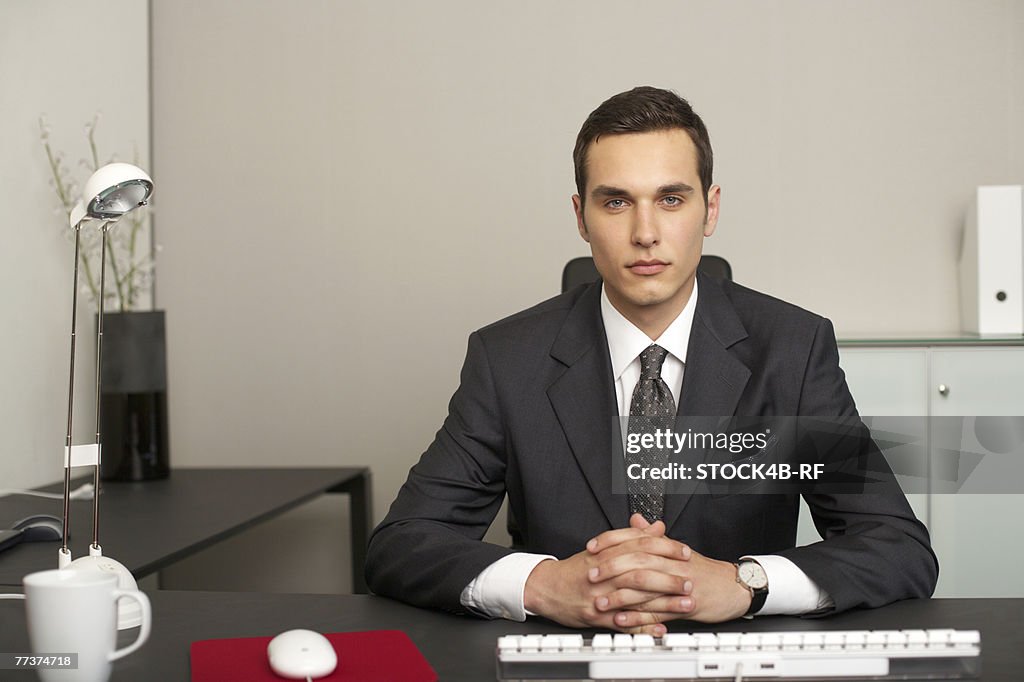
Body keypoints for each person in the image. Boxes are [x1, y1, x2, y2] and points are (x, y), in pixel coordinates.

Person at [365, 86, 937, 635]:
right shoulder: (507, 358)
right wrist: (541, 585)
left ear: (710, 209)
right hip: (563, 656)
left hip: (736, 656)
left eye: (671, 199)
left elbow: (896, 546)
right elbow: (402, 543)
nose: (645, 233)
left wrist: (745, 584)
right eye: (616, 202)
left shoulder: (792, 348)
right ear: (581, 217)